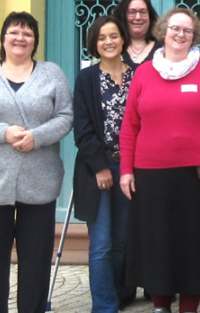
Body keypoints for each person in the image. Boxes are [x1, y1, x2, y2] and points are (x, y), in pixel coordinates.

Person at [0, 11, 73, 313]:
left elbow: (66, 117)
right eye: (14, 32)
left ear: (35, 41)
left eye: (27, 33)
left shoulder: (51, 74)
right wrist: (3, 132)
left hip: (40, 182)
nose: (20, 38)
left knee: (35, 261)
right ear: (3, 38)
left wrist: (39, 136)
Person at [119, 7, 200, 313]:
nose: (180, 35)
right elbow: (130, 125)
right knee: (157, 244)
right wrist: (125, 171)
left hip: (196, 175)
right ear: (163, 32)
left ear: (195, 37)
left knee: (191, 246)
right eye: (175, 28)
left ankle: (189, 308)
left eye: (187, 31)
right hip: (150, 174)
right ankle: (160, 305)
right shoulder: (144, 73)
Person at [72, 16, 135, 313]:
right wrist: (99, 167)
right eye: (101, 38)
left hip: (131, 169)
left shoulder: (139, 75)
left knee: (122, 240)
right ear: (94, 44)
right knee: (101, 243)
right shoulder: (87, 79)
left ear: (123, 39)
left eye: (113, 36)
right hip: (97, 169)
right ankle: (104, 307)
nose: (108, 42)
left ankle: (120, 294)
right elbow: (82, 129)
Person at [113, 0, 160, 68]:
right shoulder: (112, 45)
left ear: (150, 16)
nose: (138, 17)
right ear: (123, 16)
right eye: (132, 12)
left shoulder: (163, 47)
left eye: (143, 12)